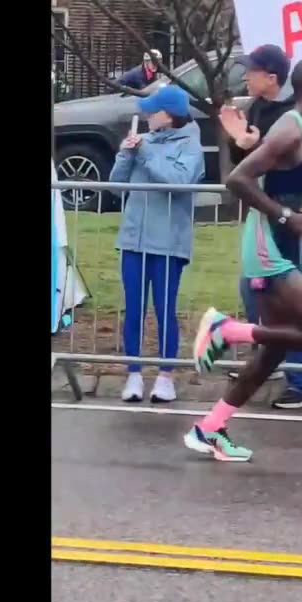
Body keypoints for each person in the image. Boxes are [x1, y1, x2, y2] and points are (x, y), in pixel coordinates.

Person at [184, 58, 302, 462]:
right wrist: (287, 217)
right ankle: (225, 329)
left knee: (272, 353)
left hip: (284, 243)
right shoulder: (289, 127)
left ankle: (209, 428)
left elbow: (299, 181)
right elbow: (239, 180)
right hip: (269, 245)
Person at [218, 45, 302, 403]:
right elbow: (246, 167)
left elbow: (288, 162)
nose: (245, 77)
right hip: (263, 212)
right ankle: (268, 363)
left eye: (251, 71)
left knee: (293, 299)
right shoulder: (255, 108)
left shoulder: (291, 115)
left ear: (271, 77)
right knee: (255, 292)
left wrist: (253, 145)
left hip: (287, 212)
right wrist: (240, 143)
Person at [109, 85, 204, 403]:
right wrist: (126, 152)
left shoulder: (191, 146)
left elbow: (178, 182)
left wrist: (144, 154)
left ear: (169, 115)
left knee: (166, 310)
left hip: (168, 243)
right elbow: (115, 185)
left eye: (153, 110)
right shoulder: (144, 142)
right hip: (134, 239)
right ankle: (133, 374)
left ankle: (166, 376)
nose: (148, 116)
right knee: (133, 308)